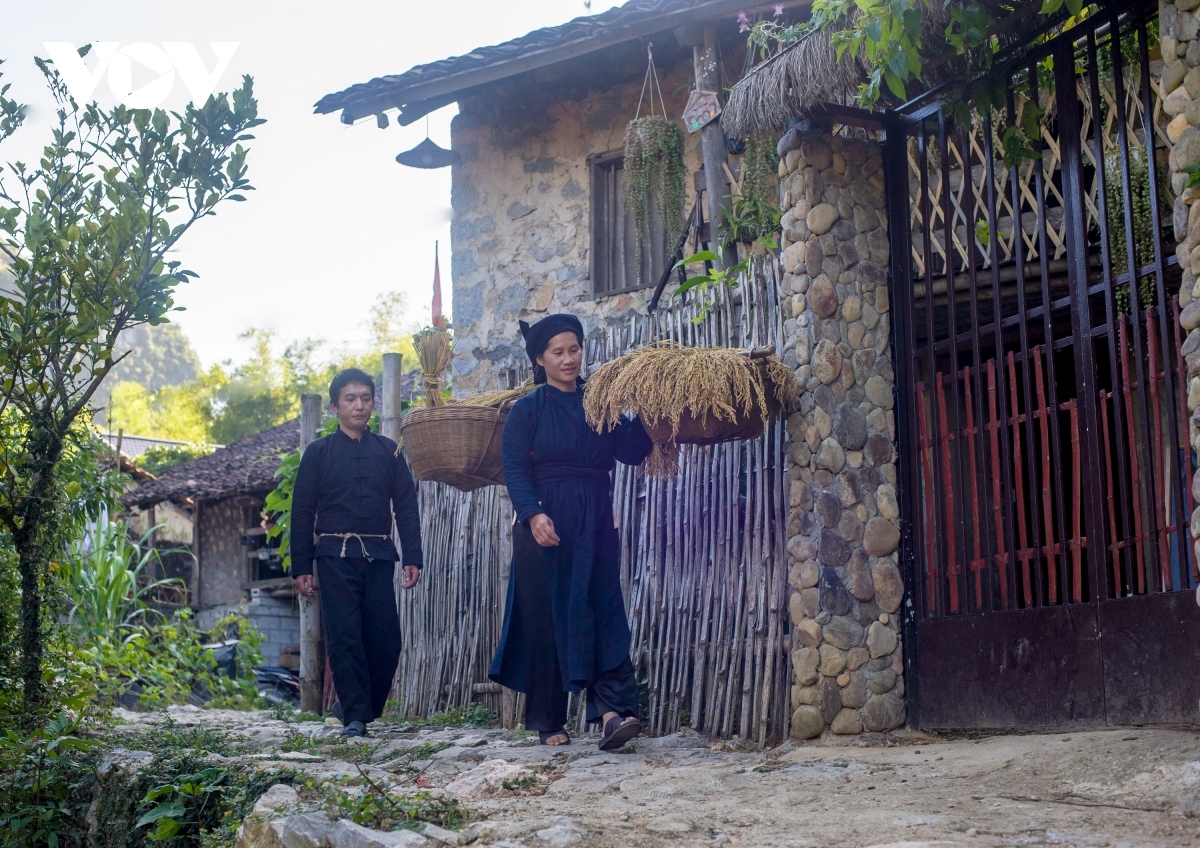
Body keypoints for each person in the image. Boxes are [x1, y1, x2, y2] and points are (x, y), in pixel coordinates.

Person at [489, 314, 653, 750]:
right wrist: (532, 515)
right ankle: (548, 720)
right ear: (540, 359)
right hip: (544, 520)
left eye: (574, 349)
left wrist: (647, 410)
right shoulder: (527, 410)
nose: (568, 359)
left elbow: (632, 452)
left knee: (602, 607)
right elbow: (515, 469)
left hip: (595, 517)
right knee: (545, 616)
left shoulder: (600, 403)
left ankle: (615, 715)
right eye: (558, 352)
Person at [291, 367, 423, 737]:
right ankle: (355, 717)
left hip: (378, 555)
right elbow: (302, 512)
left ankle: (358, 708)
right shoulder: (318, 453)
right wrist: (301, 565)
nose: (359, 406)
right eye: (350, 399)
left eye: (365, 398)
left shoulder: (389, 451)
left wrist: (413, 555)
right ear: (335, 406)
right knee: (345, 637)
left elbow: (406, 506)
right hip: (334, 556)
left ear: (373, 403)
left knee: (386, 641)